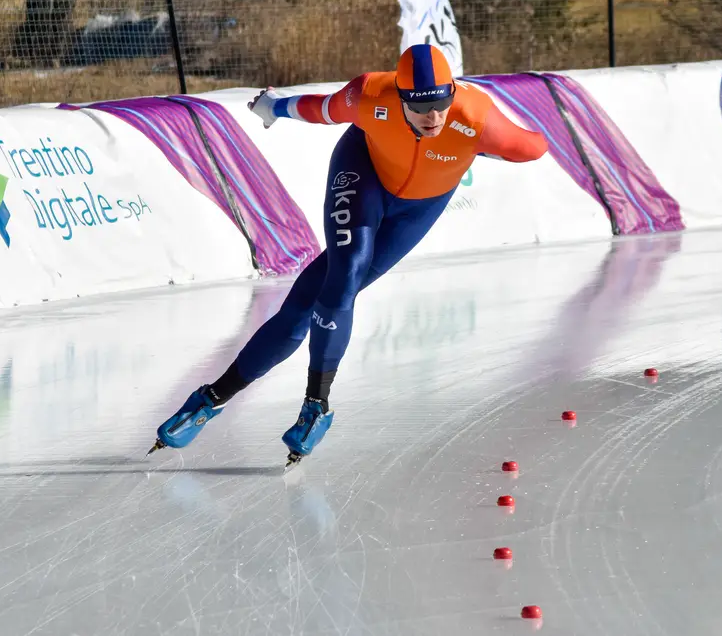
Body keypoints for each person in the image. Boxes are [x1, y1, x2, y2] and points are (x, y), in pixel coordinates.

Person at [148, 44, 548, 466]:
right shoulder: (371, 94)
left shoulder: (475, 116)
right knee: (346, 271)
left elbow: (535, 146)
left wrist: (482, 144)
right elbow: (323, 110)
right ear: (400, 96)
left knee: (305, 306)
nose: (433, 117)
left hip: (416, 210)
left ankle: (217, 398)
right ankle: (306, 405)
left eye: (441, 103)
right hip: (363, 174)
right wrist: (275, 107)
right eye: (420, 106)